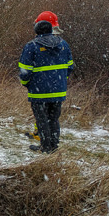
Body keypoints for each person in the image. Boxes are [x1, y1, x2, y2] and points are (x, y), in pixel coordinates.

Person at [18, 11, 74, 153]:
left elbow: (24, 71)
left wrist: (26, 84)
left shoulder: (31, 46)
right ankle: (54, 147)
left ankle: (45, 147)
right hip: (58, 90)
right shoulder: (64, 44)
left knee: (42, 120)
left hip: (38, 91)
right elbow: (70, 67)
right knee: (54, 119)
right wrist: (61, 81)